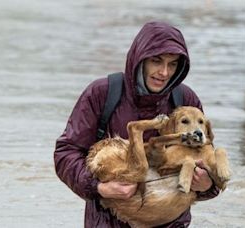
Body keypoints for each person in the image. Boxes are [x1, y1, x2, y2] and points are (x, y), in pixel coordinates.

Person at [54, 21, 220, 228]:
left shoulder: (185, 100)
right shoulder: (102, 93)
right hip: (108, 223)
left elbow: (207, 156)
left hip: (171, 223)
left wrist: (207, 183)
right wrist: (99, 187)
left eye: (173, 64)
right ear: (139, 58)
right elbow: (66, 153)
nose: (164, 72)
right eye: (156, 61)